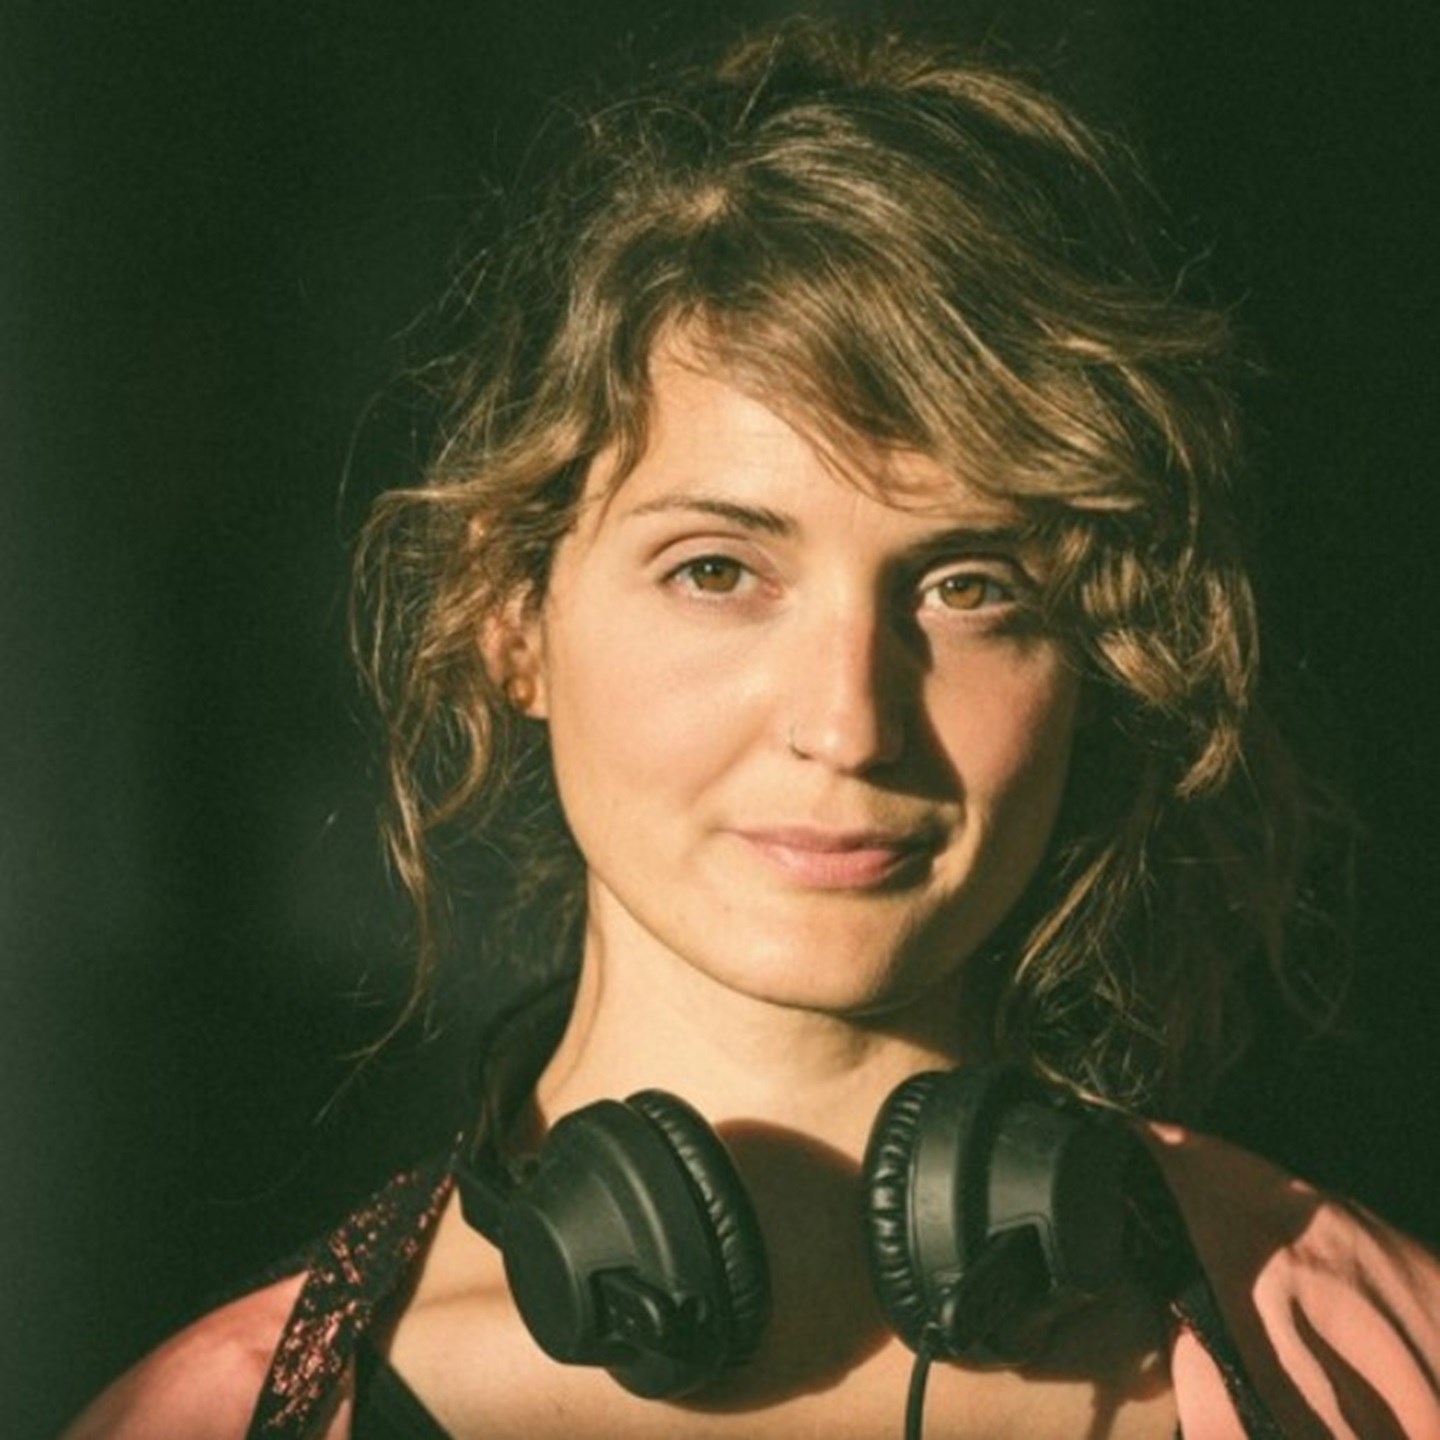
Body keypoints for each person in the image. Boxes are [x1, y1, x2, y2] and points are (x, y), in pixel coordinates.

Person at [64, 20, 1439, 1440]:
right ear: (510, 615)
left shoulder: (1372, 1356)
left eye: (970, 586)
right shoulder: (213, 1417)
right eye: (717, 570)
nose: (849, 723)